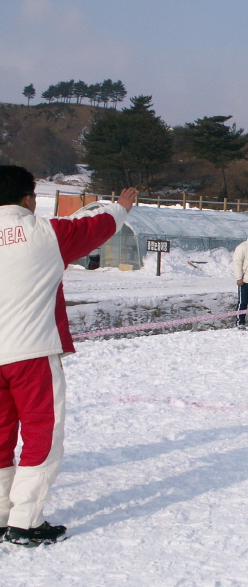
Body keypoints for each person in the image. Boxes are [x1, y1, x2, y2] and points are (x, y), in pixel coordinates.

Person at [0, 165, 136, 546]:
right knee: (42, 433)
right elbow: (96, 227)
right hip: (31, 352)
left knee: (0, 435)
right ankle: (25, 520)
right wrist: (121, 207)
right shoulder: (46, 234)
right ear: (29, 200)